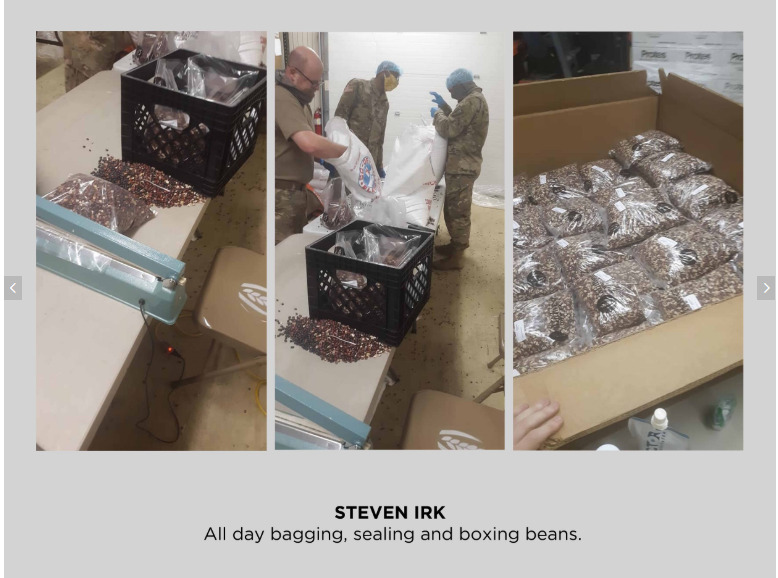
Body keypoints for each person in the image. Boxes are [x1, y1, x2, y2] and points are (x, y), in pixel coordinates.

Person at [275, 46, 347, 244]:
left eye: (319, 83)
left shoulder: (300, 101)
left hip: (294, 194)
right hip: (281, 196)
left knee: (292, 247)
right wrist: (348, 154)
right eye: (313, 83)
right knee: (283, 255)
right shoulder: (281, 96)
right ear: (292, 73)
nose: (316, 89)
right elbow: (307, 142)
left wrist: (327, 157)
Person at [429, 68, 490, 270]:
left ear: (461, 86)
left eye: (452, 91)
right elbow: (459, 120)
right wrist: (444, 106)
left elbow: (449, 128)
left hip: (463, 167)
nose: (452, 95)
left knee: (458, 211)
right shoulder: (473, 99)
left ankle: (457, 257)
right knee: (453, 208)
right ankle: (455, 245)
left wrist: (437, 114)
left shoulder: (472, 100)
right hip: (462, 166)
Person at [334, 61, 402, 179]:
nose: (396, 81)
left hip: (369, 162)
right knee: (347, 194)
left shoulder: (385, 103)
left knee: (367, 196)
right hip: (351, 157)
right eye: (395, 76)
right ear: (384, 72)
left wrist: (379, 165)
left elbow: (380, 137)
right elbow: (339, 120)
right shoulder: (358, 86)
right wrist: (336, 153)